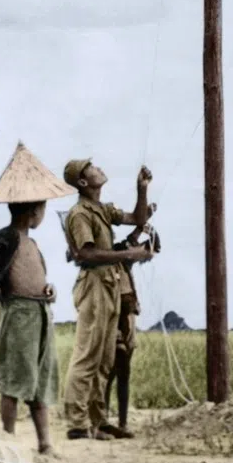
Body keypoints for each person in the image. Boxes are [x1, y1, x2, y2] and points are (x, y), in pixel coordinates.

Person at [61, 159, 154, 440]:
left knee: (105, 357)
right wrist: (129, 255)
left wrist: (141, 190)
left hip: (109, 283)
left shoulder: (102, 209)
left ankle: (98, 420)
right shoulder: (79, 214)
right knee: (88, 353)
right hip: (94, 284)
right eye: (91, 167)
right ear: (82, 182)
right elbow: (86, 254)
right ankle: (77, 423)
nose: (99, 167)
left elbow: (138, 219)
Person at [0, 200, 59, 458]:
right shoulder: (6, 236)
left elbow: (37, 278)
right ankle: (9, 441)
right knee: (15, 380)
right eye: (42, 211)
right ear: (34, 212)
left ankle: (45, 443)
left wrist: (49, 291)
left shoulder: (33, 244)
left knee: (40, 378)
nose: (42, 215)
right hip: (18, 314)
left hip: (41, 313)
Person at [104, 221, 161, 436]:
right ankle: (109, 421)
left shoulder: (120, 254)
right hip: (112, 320)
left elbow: (150, 246)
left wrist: (146, 227)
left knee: (120, 373)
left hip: (126, 320)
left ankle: (120, 422)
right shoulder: (105, 259)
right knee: (111, 373)